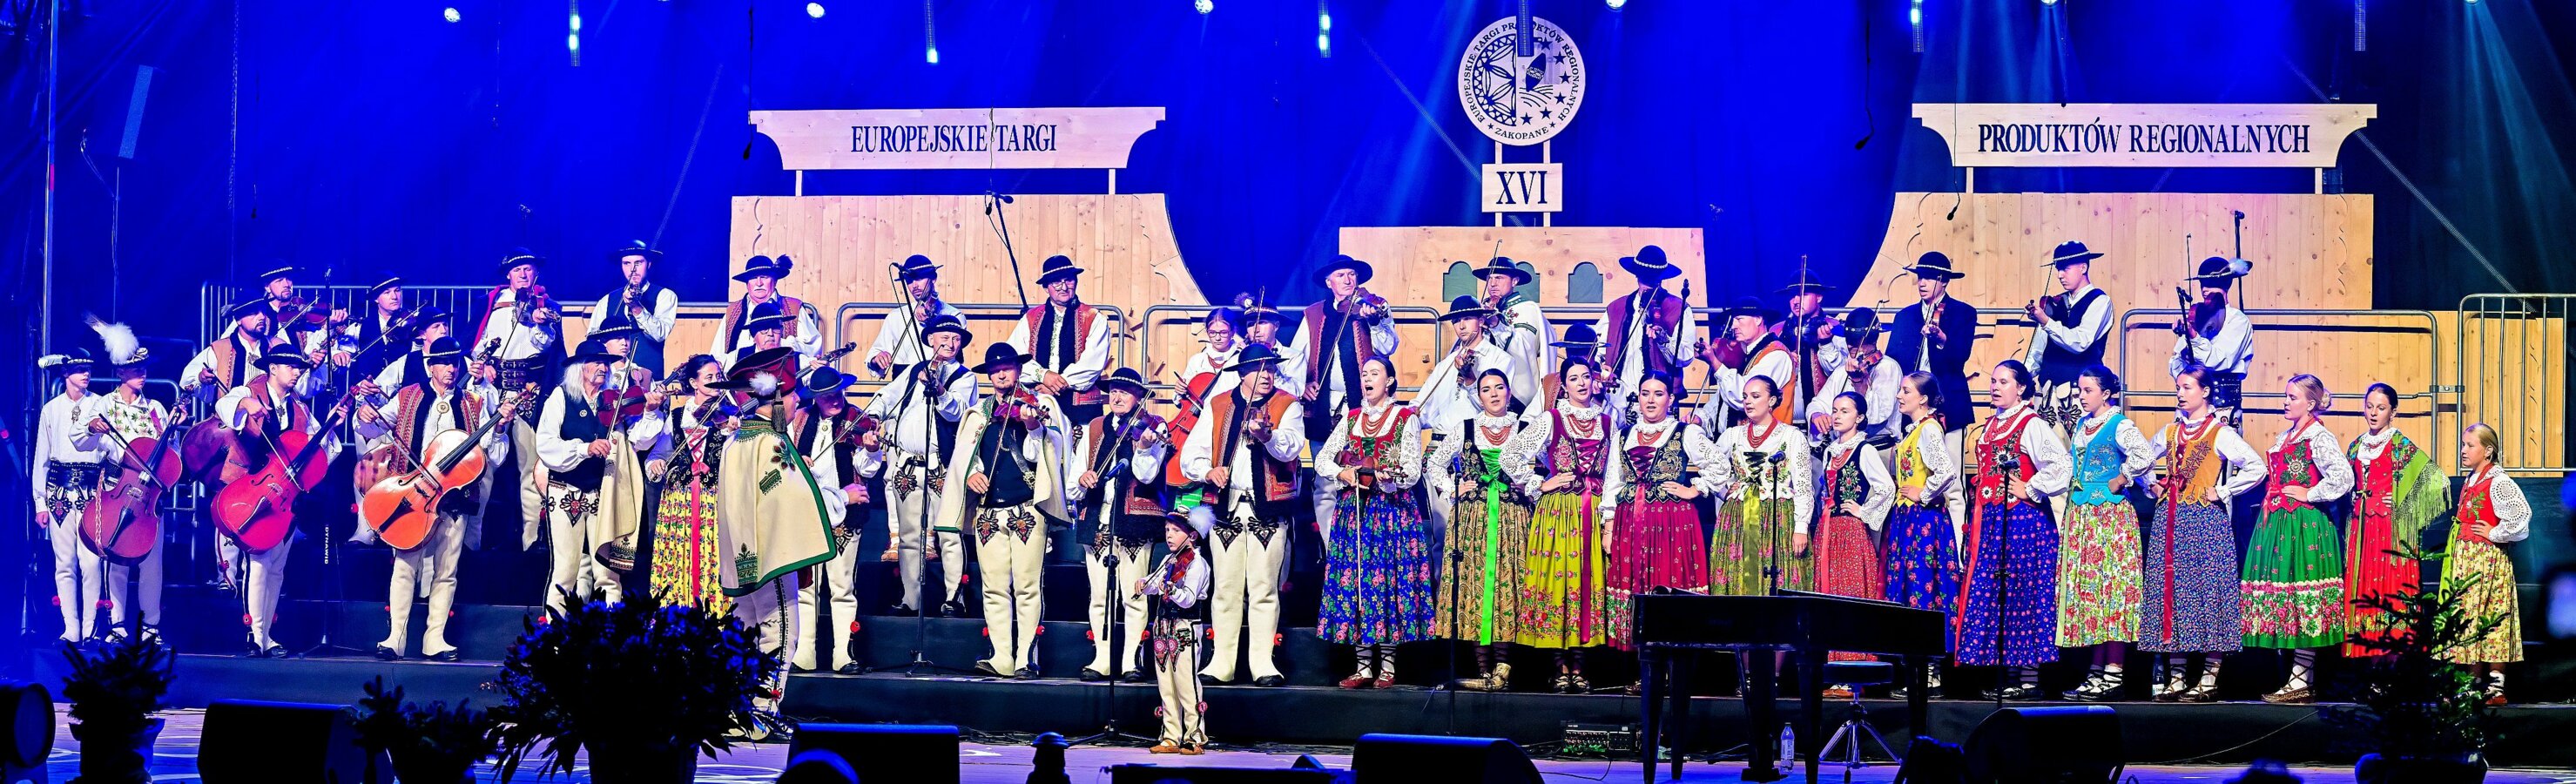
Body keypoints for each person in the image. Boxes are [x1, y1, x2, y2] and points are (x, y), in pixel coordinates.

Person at [353, 336, 516, 661]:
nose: (451, 369)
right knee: (405, 566)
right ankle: (395, 639)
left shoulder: (473, 403)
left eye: (455, 362)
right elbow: (371, 429)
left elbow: (492, 456)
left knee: (446, 570)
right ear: (431, 366)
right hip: (412, 496)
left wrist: (499, 429)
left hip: (453, 499)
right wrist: (364, 415)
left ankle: (435, 640)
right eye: (444, 363)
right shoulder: (407, 396)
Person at [712, 347, 844, 739]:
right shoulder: (771, 442)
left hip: (742, 553)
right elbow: (793, 496)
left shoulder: (735, 441)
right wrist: (842, 499)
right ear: (772, 401)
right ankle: (761, 713)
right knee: (780, 630)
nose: (796, 402)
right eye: (790, 396)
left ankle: (737, 710)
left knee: (746, 631)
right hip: (770, 553)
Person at [934, 342, 1076, 679]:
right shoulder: (978, 412)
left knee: (1027, 586)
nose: (1000, 374)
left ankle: (1027, 657)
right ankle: (1001, 656)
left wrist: (1034, 429)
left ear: (1018, 370)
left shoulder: (1040, 405)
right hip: (988, 512)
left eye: (1007, 368)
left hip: (1026, 507)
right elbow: (966, 455)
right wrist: (972, 473)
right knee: (993, 587)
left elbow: (1051, 452)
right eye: (995, 370)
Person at [1178, 343, 1306, 687]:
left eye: (1271, 369)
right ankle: (1223, 662)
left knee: (1264, 587)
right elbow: (1191, 455)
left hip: (1268, 507)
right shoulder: (1218, 404)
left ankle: (1262, 662)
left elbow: (1292, 447)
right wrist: (1208, 471)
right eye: (1260, 369)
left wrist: (1268, 436)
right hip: (1227, 506)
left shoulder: (1287, 404)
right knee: (1225, 587)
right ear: (1243, 373)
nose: (1267, 375)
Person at [2138, 365, 2265, 702]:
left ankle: (2209, 678)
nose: (2180, 393)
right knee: (2173, 593)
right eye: (2178, 387)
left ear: (2205, 391)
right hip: (2170, 521)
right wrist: (2150, 485)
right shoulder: (2169, 432)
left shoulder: (2220, 433)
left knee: (2209, 592)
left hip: (2205, 522)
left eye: (2187, 387)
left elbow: (2256, 466)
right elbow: (2139, 460)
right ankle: (2178, 677)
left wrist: (2222, 491)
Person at [215, 346, 348, 657]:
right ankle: (254, 633)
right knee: (259, 563)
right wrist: (245, 403)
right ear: (272, 368)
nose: (297, 372)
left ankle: (267, 635)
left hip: (286, 497)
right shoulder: (251, 391)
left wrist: (329, 427)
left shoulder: (299, 408)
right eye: (290, 366)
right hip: (254, 490)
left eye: (299, 367)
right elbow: (224, 406)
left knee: (277, 568)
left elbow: (321, 452)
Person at [1313, 356, 1435, 689]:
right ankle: (1364, 666)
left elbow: (1412, 470)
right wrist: (1343, 472)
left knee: (1387, 581)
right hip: (1354, 511)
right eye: (1364, 373)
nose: (1367, 378)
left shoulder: (1405, 418)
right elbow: (1322, 459)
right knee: (1357, 581)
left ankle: (1389, 666)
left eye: (1375, 373)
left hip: (1390, 513)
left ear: (1390, 381)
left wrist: (1388, 477)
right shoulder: (1351, 418)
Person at [1955, 360, 2071, 700]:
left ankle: (2029, 678)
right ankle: (2006, 673)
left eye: (2003, 381)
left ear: (2021, 388)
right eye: (1993, 381)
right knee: (1999, 594)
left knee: (2024, 592)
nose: (1995, 387)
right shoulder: (1992, 424)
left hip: (2024, 522)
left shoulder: (2031, 423)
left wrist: (2030, 488)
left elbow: (2063, 464)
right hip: (1993, 520)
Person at [1503, 355, 1617, 693]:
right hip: (1558, 513)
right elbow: (1510, 455)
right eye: (1574, 378)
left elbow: (1615, 472)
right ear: (1564, 386)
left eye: (1586, 377)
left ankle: (1579, 666)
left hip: (1592, 511)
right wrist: (1542, 483)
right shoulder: (1550, 419)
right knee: (1558, 585)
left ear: (1594, 382)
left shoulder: (1608, 422)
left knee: (1585, 584)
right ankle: (1559, 667)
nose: (1581, 383)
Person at [858, 314, 979, 616]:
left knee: (949, 533)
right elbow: (886, 396)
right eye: (944, 338)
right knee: (910, 536)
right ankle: (911, 598)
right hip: (907, 466)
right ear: (931, 340)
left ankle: (954, 597)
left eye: (956, 339)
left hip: (942, 466)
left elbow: (957, 412)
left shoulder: (965, 377)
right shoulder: (914, 370)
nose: (951, 344)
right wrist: (874, 416)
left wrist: (939, 390)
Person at [2244, 374, 2354, 704]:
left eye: (2293, 397)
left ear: (2310, 403)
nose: (2286, 402)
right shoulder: (2287, 436)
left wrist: (2311, 493)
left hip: (2305, 525)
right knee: (2287, 598)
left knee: (2304, 596)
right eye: (2286, 396)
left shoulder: (2318, 436)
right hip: (2279, 525)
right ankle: (2295, 677)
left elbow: (2344, 477)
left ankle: (2302, 678)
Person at [1426, 369, 1533, 692]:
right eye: (1486, 389)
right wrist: (1452, 488)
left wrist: (1532, 484)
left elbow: (1548, 463)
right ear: (1479, 395)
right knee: (1475, 586)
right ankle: (1483, 670)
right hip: (1473, 517)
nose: (1494, 394)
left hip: (1512, 517)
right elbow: (1434, 463)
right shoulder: (1465, 428)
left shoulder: (1525, 430)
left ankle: (1504, 666)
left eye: (1499, 387)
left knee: (1507, 585)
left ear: (1509, 392)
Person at [1605, 374, 1720, 661]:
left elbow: (1720, 465)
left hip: (1671, 523)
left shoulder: (1685, 432)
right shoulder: (1623, 435)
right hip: (1630, 521)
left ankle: (1673, 667)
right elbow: (1612, 483)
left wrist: (1694, 489)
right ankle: (1646, 666)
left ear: (1670, 399)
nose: (1651, 400)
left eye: (1658, 394)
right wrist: (1608, 526)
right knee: (1637, 585)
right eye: (1645, 393)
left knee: (1668, 583)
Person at [2055, 366, 2153, 701]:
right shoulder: (2083, 424)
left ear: (2106, 393)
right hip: (2084, 515)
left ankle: (2113, 673)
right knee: (2094, 596)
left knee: (2113, 592)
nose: (2081, 397)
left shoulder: (2119, 424)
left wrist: (2122, 478)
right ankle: (2096, 671)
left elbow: (2144, 455)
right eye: (2079, 390)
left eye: (2088, 391)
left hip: (2110, 517)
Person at [1072, 368, 1170, 683]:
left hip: (1135, 521)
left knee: (1133, 595)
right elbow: (1074, 479)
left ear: (1139, 397)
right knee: (1099, 596)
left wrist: (1144, 448)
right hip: (1097, 520)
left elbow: (1146, 475)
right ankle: (1102, 659)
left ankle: (1131, 660)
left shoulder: (1154, 425)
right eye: (1113, 391)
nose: (1116, 397)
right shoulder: (1094, 427)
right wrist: (1083, 479)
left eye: (1124, 392)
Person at [77, 337, 175, 641]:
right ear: (120, 372)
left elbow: (171, 453)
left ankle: (150, 626)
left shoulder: (156, 409)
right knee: (117, 558)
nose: (142, 374)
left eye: (144, 369)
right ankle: (116, 624)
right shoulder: (104, 404)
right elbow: (79, 438)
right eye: (135, 369)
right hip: (117, 486)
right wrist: (92, 426)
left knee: (151, 562)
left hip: (148, 496)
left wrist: (172, 430)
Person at [2343, 382, 2448, 659]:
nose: (2373, 413)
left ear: (2393, 412)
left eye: (2381, 408)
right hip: (2361, 528)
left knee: (2389, 586)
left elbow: (2437, 480)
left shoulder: (2400, 445)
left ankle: (2391, 658)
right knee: (2362, 586)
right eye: (2369, 407)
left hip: (2389, 528)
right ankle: (2364, 657)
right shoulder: (2356, 446)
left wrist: (2403, 502)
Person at [1293, 255, 1397, 535]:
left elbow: (1389, 347)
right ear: (1329, 282)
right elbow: (1296, 359)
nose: (1348, 280)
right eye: (1341, 275)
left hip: (1363, 409)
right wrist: (1303, 385)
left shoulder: (1372, 306)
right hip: (1324, 410)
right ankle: (1331, 547)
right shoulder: (1314, 314)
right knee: (1326, 482)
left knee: (1366, 477)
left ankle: (1362, 542)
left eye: (1351, 274)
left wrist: (1375, 323)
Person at [533, 338, 634, 615]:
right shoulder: (561, 396)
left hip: (603, 492)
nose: (603, 367)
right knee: (566, 570)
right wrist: (584, 448)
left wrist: (648, 411)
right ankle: (553, 634)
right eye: (597, 362)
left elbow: (638, 439)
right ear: (580, 367)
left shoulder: (612, 401)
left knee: (608, 573)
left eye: (606, 363)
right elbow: (545, 444)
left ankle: (612, 631)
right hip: (567, 491)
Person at [1418, 295, 1528, 541]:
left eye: (1467, 318)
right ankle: (1442, 568)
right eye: (1456, 321)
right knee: (1442, 527)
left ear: (1481, 321)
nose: (1461, 326)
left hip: (1475, 451)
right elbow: (1423, 407)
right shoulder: (1445, 364)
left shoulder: (1500, 359)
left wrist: (1470, 379)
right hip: (1440, 443)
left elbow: (1494, 406)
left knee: (1476, 529)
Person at [1884, 252, 1980, 531]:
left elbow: (1960, 357)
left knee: (1953, 482)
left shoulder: (1963, 313)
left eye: (1929, 277)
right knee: (1912, 475)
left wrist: (1941, 338)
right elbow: (1893, 360)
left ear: (1944, 281)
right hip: (1914, 410)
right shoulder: (1905, 316)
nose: (1922, 283)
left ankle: (1957, 545)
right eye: (1920, 277)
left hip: (1949, 406)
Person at [789, 365, 872, 675]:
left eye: (837, 393)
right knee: (806, 587)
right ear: (815, 398)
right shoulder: (799, 419)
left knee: (841, 586)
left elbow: (867, 468)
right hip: (807, 513)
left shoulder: (857, 419)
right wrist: (798, 461)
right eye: (827, 397)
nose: (835, 400)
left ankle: (843, 654)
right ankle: (804, 653)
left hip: (846, 514)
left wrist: (871, 451)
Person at [1883, 372, 1960, 698]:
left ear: (1923, 398)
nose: (1900, 396)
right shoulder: (1915, 430)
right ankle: (1916, 670)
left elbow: (1946, 472)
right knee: (1909, 588)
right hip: (1909, 519)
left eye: (1906, 391)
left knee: (1925, 587)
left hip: (1924, 521)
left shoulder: (1928, 429)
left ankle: (1930, 673)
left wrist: (1923, 493)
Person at [1707, 375, 1814, 595]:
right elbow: (1710, 465)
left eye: (1755, 396)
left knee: (1777, 576)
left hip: (1777, 516)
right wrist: (1724, 489)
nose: (1748, 401)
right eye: (1745, 396)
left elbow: (1803, 485)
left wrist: (1801, 527)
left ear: (1772, 400)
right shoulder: (1732, 435)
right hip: (1738, 516)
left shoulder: (1791, 436)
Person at [646, 355, 736, 612]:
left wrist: (734, 433)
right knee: (678, 556)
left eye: (718, 376)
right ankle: (677, 618)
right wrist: (655, 463)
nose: (716, 381)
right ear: (694, 383)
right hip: (679, 502)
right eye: (709, 378)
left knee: (713, 555)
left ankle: (716, 618)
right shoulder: (677, 417)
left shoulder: (730, 413)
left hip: (715, 498)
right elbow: (658, 453)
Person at [2448, 422, 2527, 705]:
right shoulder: (2472, 479)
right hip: (2467, 561)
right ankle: (2470, 685)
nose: (2464, 450)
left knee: (2493, 618)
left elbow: (2521, 517)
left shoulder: (2498, 481)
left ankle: (2495, 688)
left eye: (2470, 445)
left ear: (2488, 450)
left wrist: (2494, 533)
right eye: (2463, 444)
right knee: (2469, 619)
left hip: (2488, 560)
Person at [1813, 393, 1894, 666]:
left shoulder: (1864, 449)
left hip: (1850, 531)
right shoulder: (1830, 450)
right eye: (1835, 410)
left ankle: (1853, 664)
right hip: (1828, 528)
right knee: (1829, 592)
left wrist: (1864, 511)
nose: (1837, 416)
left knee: (1850, 590)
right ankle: (1832, 663)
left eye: (1845, 411)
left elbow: (1886, 487)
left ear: (1859, 418)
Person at [35, 349, 106, 644]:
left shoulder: (100, 404)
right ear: (66, 374)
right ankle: (71, 627)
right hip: (59, 491)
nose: (85, 374)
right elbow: (41, 458)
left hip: (91, 490)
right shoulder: (51, 409)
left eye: (88, 368)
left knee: (91, 562)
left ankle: (90, 627)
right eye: (79, 369)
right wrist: (40, 502)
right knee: (64, 563)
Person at [1006, 254, 1116, 425]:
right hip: (1038, 405)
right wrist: (1042, 375)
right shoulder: (1030, 318)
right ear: (1046, 287)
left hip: (1081, 410)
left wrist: (1054, 385)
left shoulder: (1094, 318)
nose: (1064, 287)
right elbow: (1014, 357)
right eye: (1057, 282)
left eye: (1069, 280)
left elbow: (1091, 365)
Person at [2023, 242, 2115, 435]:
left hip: (2079, 395)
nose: (2059, 275)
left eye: (2065, 268)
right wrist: (2021, 380)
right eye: (2058, 269)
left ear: (2083, 267)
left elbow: (2081, 341)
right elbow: (2037, 351)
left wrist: (2046, 322)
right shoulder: (2053, 303)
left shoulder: (2100, 301)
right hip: (2047, 394)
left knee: (2080, 447)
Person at [1142, 511, 1212, 755]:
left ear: (1192, 535)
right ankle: (1171, 735)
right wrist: (1145, 583)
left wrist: (1171, 590)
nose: (1169, 535)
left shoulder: (1197, 564)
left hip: (1185, 626)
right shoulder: (1169, 560)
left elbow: (1188, 599)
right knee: (1166, 684)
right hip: (1163, 625)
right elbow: (1154, 584)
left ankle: (1195, 736)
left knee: (1186, 683)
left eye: (1176, 531)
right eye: (1167, 530)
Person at [1597, 246, 1690, 418]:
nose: (1649, 281)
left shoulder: (1678, 308)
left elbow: (1685, 356)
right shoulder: (1616, 307)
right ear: (1637, 275)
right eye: (1645, 276)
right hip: (1617, 402)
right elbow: (1598, 349)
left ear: (1661, 278)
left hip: (1658, 404)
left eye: (1653, 277)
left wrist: (1663, 340)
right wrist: (1601, 370)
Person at [2170, 256, 2255, 422]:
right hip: (2190, 405)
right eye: (2202, 283)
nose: (2205, 288)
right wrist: (2184, 354)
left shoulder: (2237, 320)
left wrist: (2194, 337)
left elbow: (2219, 361)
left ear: (2225, 284)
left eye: (2211, 283)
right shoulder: (2196, 318)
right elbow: (2175, 366)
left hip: (2222, 407)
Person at [1810, 308, 1900, 449]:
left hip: (1878, 447)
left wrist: (1860, 384)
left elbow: (1877, 415)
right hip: (1844, 447)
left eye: (1857, 340)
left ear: (1872, 339)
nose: (1851, 345)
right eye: (1849, 339)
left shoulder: (1887, 367)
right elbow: (1819, 402)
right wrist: (1816, 414)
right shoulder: (1842, 370)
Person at [865, 254, 968, 376]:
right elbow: (875, 353)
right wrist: (876, 359)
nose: (914, 286)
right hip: (902, 381)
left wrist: (930, 322)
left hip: (938, 379)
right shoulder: (895, 316)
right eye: (909, 281)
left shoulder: (954, 315)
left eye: (919, 279)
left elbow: (953, 357)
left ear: (933, 279)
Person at [1473, 256, 1551, 409]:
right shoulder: (1484, 309)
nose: (1492, 284)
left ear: (1514, 281)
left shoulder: (1526, 309)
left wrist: (1496, 324)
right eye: (1489, 278)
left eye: (1499, 278)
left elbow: (1524, 348)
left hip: (1516, 391)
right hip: (1486, 388)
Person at [1706, 298, 1797, 427]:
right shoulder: (1746, 354)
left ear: (1758, 319)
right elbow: (1723, 401)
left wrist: (1714, 361)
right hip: (1740, 437)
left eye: (1739, 319)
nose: (1733, 326)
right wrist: (1702, 417)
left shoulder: (1776, 354)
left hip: (1768, 437)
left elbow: (1743, 397)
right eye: (1733, 321)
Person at [596, 240, 679, 378]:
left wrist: (636, 308)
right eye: (626, 263)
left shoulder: (665, 295)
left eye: (638, 263)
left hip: (649, 379)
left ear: (649, 264)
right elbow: (594, 340)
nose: (632, 269)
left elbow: (659, 335)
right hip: (612, 380)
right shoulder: (607, 300)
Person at [715, 254, 823, 361]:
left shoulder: (793, 308)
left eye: (764, 277)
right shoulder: (733, 312)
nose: (759, 283)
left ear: (775, 281)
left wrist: (778, 344)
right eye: (753, 278)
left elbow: (812, 348)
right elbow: (718, 355)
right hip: (740, 371)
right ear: (747, 284)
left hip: (783, 370)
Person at [181, 298, 285, 404]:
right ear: (238, 320)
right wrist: (201, 378)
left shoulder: (277, 345)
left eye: (263, 311)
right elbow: (188, 379)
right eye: (254, 313)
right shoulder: (220, 348)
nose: (262, 317)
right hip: (233, 413)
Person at [1777, 270, 1846, 423]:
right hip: (1783, 422)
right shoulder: (1778, 331)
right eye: (1792, 296)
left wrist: (1826, 344)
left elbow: (1841, 374)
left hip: (1825, 423)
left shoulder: (1835, 329)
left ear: (1819, 297)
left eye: (1803, 295)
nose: (1796, 301)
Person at [341, 276, 414, 382]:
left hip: (404, 387)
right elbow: (344, 357)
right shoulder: (359, 327)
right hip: (369, 388)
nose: (394, 297)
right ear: (376, 299)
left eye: (397, 290)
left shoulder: (412, 322)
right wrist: (340, 355)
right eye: (387, 292)